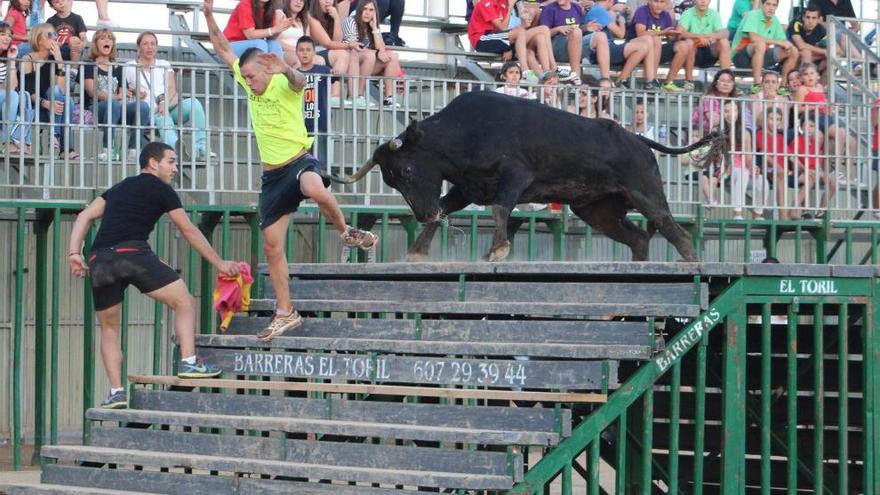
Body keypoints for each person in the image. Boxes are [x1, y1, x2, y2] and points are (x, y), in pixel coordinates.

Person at [205, 0, 378, 341]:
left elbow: (300, 81)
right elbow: (223, 49)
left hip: (300, 162)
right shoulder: (247, 76)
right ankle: (286, 312)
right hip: (272, 177)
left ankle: (344, 231)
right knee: (272, 247)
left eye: (253, 77)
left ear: (266, 70)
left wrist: (284, 69)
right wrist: (210, 15)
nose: (249, 84)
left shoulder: (283, 82)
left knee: (316, 188)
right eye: (247, 78)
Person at [68, 142, 242, 409]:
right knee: (184, 301)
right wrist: (218, 262)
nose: (175, 168)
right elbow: (188, 230)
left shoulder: (119, 187)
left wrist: (74, 254)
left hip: (100, 259)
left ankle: (116, 391)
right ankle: (189, 361)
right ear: (153, 163)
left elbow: (85, 217)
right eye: (171, 162)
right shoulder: (163, 189)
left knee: (109, 329)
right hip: (132, 253)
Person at [123, 32, 213, 161]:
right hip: (146, 112)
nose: (149, 47)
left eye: (153, 44)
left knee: (194, 103)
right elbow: (124, 88)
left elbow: (172, 88)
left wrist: (165, 102)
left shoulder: (163, 64)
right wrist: (134, 91)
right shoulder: (130, 66)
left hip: (167, 106)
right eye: (145, 44)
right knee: (162, 117)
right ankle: (175, 150)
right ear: (138, 48)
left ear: (157, 47)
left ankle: (201, 148)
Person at [84, 28, 151, 162]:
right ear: (96, 43)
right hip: (97, 109)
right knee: (113, 104)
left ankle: (133, 149)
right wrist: (115, 97)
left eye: (110, 38)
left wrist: (134, 92)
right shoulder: (90, 66)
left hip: (117, 108)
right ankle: (108, 149)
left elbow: (123, 91)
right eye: (103, 38)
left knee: (142, 106)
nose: (107, 40)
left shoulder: (118, 68)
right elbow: (92, 92)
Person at [792, 61, 859, 187]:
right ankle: (837, 169)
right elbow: (797, 109)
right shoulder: (802, 89)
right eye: (806, 74)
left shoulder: (820, 87)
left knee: (852, 141)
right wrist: (814, 106)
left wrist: (827, 106)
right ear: (801, 78)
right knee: (840, 132)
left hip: (826, 117)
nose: (810, 76)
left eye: (812, 73)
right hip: (813, 118)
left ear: (817, 75)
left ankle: (851, 175)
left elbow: (824, 105)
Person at [20, 23, 77, 159]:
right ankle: (66, 149)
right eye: (50, 35)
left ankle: (54, 135)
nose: (55, 38)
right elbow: (28, 91)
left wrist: (59, 61)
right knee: (66, 101)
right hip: (34, 109)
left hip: (53, 110)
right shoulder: (27, 59)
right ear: (39, 39)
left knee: (65, 98)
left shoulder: (54, 60)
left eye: (55, 35)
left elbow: (61, 90)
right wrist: (45, 103)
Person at [342, 0, 401, 106]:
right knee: (370, 55)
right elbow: (355, 47)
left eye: (371, 10)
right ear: (359, 10)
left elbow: (381, 48)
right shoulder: (349, 21)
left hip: (366, 64)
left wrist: (374, 28)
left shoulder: (372, 25)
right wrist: (377, 52)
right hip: (349, 64)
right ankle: (358, 95)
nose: (368, 13)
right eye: (364, 9)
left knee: (393, 56)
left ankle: (389, 98)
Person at [587, 0, 655, 90]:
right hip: (601, 51)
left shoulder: (599, 10)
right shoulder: (599, 10)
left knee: (648, 39)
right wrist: (622, 21)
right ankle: (621, 80)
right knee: (642, 47)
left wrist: (613, 13)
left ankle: (650, 81)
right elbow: (620, 34)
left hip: (610, 47)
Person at [628, 0, 693, 92]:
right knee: (656, 39)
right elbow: (640, 33)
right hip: (639, 49)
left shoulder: (666, 15)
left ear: (666, 4)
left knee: (684, 45)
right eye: (656, 1)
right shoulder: (641, 11)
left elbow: (670, 37)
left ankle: (668, 83)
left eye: (662, 2)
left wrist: (678, 34)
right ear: (649, 1)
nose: (658, 5)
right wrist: (663, 32)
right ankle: (651, 81)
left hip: (658, 49)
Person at [731, 0, 797, 85]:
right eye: (768, 4)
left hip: (761, 56)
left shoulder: (775, 19)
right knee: (760, 45)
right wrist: (778, 42)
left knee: (793, 51)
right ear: (762, 5)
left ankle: (783, 86)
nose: (771, 8)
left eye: (774, 5)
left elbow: (782, 40)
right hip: (741, 58)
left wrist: (788, 45)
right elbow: (753, 38)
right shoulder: (753, 14)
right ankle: (757, 85)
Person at [720, 100, 766, 219]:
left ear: (739, 113)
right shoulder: (719, 132)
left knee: (762, 181)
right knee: (743, 173)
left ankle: (758, 214)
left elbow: (748, 156)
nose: (731, 114)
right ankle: (738, 212)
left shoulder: (745, 132)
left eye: (734, 110)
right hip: (725, 169)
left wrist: (753, 167)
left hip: (741, 167)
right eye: (726, 111)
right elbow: (719, 156)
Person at [308, 0, 358, 104]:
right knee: (343, 53)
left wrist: (336, 19)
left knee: (353, 55)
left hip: (329, 54)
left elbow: (337, 41)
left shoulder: (331, 17)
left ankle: (354, 96)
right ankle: (334, 95)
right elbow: (328, 43)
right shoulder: (311, 17)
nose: (327, 1)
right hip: (313, 54)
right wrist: (349, 45)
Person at [787, 116, 836, 217]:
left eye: (812, 126)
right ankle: (794, 209)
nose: (808, 128)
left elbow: (817, 163)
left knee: (833, 182)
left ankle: (821, 211)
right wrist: (807, 170)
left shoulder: (815, 143)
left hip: (813, 172)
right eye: (806, 126)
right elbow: (792, 159)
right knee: (809, 180)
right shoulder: (796, 141)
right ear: (801, 127)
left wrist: (821, 172)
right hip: (797, 172)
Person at [296, 35, 331, 159]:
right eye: (301, 50)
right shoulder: (294, 74)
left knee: (320, 163)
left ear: (314, 52)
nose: (304, 53)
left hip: (320, 124)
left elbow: (342, 76)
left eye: (308, 50)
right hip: (298, 125)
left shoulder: (324, 71)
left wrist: (337, 72)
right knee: (298, 164)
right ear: (296, 52)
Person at [1, 21, 32, 155]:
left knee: (23, 95)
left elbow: (12, 87)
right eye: (2, 34)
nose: (7, 38)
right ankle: (7, 142)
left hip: (3, 100)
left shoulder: (5, 60)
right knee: (14, 96)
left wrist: (12, 60)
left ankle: (24, 143)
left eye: (10, 35)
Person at [755, 107, 792, 218]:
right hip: (767, 169)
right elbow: (764, 153)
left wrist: (805, 169)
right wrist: (778, 166)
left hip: (783, 170)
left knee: (809, 177)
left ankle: (794, 210)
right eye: (771, 118)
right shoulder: (760, 133)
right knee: (780, 173)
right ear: (765, 119)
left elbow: (790, 156)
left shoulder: (780, 136)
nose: (774, 122)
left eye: (778, 119)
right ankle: (783, 213)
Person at [678, 0, 731, 73]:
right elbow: (679, 33)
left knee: (724, 42)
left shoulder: (714, 13)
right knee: (689, 43)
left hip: (709, 52)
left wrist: (714, 36)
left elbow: (725, 33)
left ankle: (726, 78)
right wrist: (698, 37)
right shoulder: (687, 13)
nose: (703, 1)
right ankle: (689, 82)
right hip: (693, 53)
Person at [223, 0, 288, 57]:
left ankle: (278, 70)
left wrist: (281, 27)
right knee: (260, 44)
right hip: (229, 47)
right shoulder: (245, 4)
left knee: (273, 44)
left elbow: (270, 37)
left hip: (253, 45)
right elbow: (250, 35)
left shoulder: (270, 8)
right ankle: (258, 70)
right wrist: (274, 29)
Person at [277, 0, 326, 67]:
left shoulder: (304, 20)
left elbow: (308, 42)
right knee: (299, 61)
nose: (299, 2)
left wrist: (302, 50)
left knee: (320, 60)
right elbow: (277, 41)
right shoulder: (279, 14)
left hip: (302, 52)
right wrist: (297, 49)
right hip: (285, 52)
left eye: (302, 1)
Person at [787, 4, 827, 69]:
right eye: (808, 17)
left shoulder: (821, 29)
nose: (810, 21)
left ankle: (815, 75)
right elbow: (801, 46)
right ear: (803, 17)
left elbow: (837, 50)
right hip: (790, 55)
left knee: (830, 58)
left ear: (818, 20)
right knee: (806, 52)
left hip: (810, 58)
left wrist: (826, 52)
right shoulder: (796, 23)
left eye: (814, 18)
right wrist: (824, 51)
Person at [46, 0, 86, 64]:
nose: (61, 3)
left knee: (74, 40)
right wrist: (57, 44)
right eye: (56, 2)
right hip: (58, 49)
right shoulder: (51, 20)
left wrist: (82, 44)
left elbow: (83, 36)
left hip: (73, 49)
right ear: (52, 6)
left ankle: (74, 69)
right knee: (53, 43)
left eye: (62, 0)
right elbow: (51, 38)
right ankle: (60, 67)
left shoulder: (77, 18)